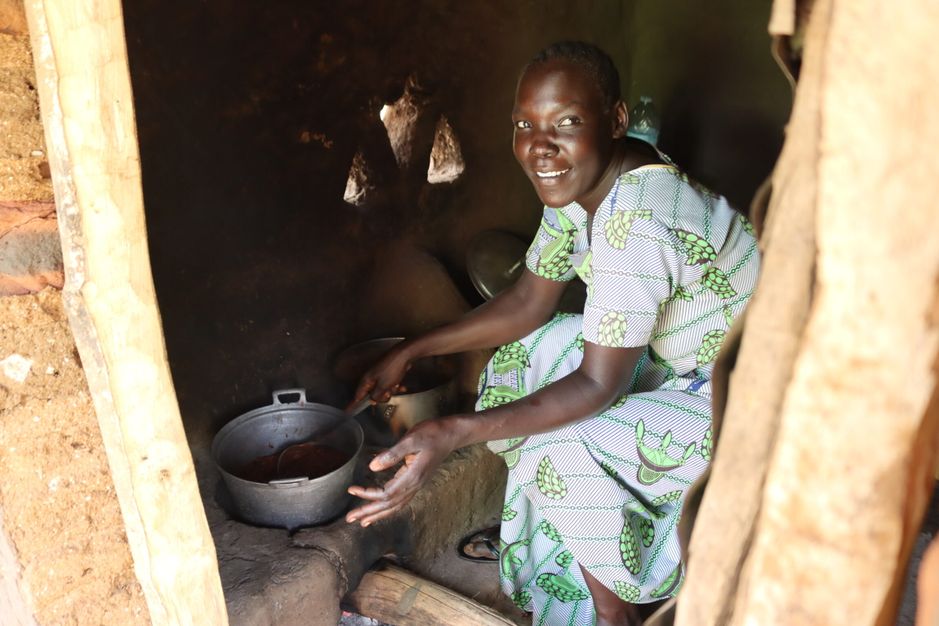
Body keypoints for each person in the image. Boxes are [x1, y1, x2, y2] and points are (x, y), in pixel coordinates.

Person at [345, 41, 760, 626]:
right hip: (686, 365)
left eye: (566, 123)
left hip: (747, 404)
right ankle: (571, 539)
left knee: (557, 446)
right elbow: (526, 301)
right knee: (524, 361)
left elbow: (596, 386)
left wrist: (449, 431)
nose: (541, 147)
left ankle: (621, 611)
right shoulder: (590, 178)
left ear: (614, 120)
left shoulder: (637, 221)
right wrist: (414, 350)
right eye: (525, 124)